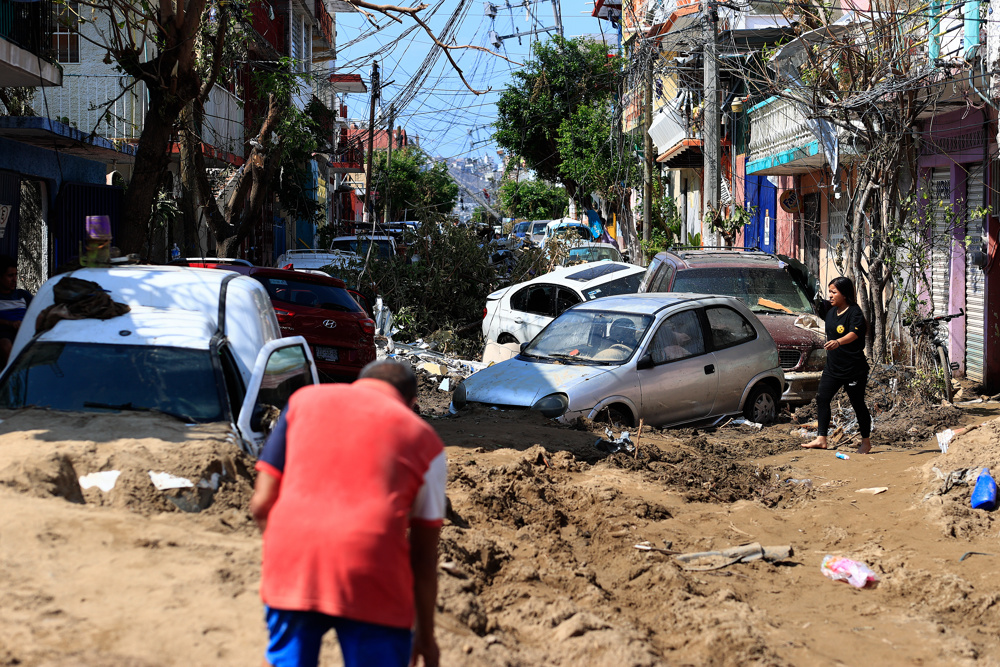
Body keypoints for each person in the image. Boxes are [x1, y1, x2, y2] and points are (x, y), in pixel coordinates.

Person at [250, 360, 446, 667]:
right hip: (371, 570)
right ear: (411, 403)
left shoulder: (303, 402)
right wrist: (425, 635)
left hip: (294, 558)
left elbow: (262, 502)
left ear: (359, 381)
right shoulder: (426, 442)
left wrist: (285, 556)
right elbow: (423, 556)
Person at [802, 276, 873, 454]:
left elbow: (854, 334)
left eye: (834, 292)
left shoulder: (855, 312)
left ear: (845, 294)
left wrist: (838, 342)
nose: (831, 295)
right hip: (833, 367)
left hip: (853, 369)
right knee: (822, 398)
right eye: (830, 292)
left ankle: (866, 442)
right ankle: (821, 439)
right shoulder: (831, 312)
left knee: (857, 403)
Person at [0, 255, 31, 366]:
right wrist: (10, 323)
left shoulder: (22, 295)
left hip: (25, 335)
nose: (14, 279)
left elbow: (38, 311)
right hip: (5, 336)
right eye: (10, 276)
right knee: (5, 345)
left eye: (15, 275)